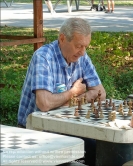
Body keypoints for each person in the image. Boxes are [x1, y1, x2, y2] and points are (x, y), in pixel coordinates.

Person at [17, 17, 106, 165]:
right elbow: (44, 104)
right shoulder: (43, 57)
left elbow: (100, 94)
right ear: (63, 39)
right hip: (36, 131)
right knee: (90, 152)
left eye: (85, 46)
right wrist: (73, 92)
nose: (83, 52)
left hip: (66, 126)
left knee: (99, 150)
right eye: (79, 46)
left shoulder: (82, 57)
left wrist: (67, 101)